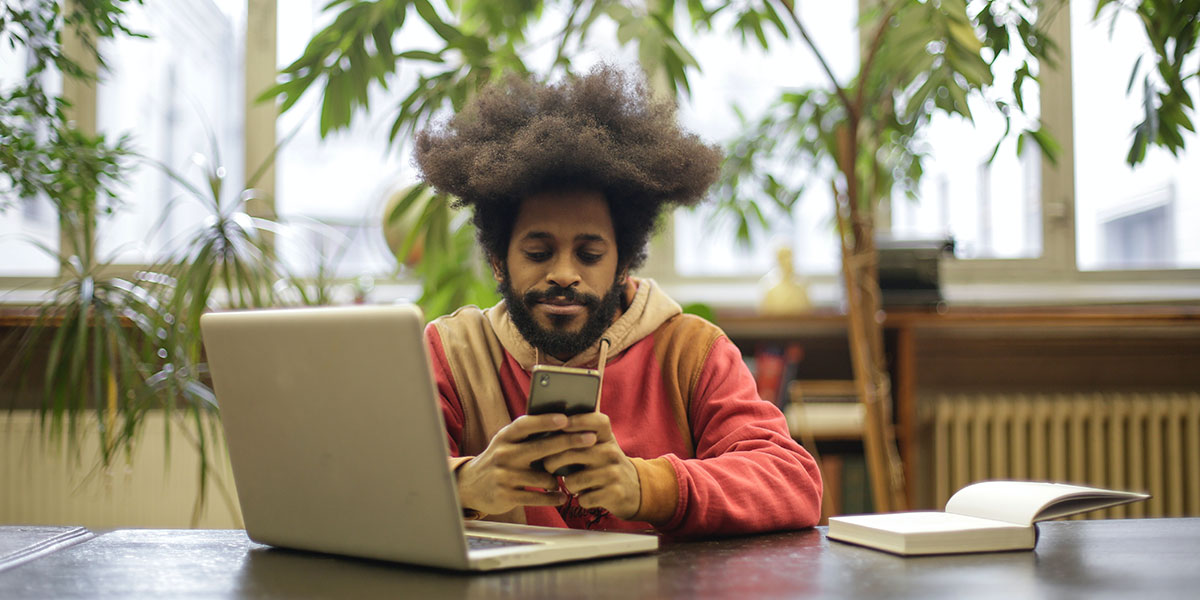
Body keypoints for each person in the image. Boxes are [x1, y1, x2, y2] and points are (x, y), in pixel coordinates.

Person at [415, 65, 822, 537]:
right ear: (498, 259)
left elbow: (793, 482)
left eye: (589, 254)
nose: (565, 274)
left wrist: (645, 485)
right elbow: (372, 488)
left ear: (623, 262)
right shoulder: (453, 354)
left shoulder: (690, 352)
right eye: (538, 252)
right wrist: (464, 484)